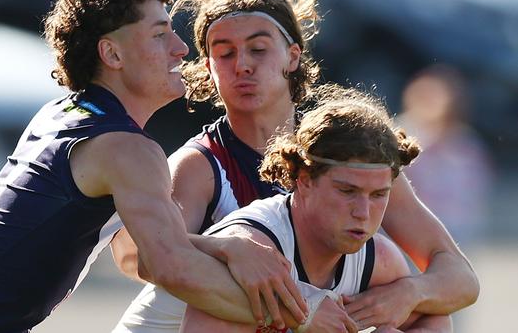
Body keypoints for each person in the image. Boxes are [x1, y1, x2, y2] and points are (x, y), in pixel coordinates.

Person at [0, 0, 308, 332]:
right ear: (112, 53)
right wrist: (305, 319)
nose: (181, 49)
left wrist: (225, 246)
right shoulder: (128, 150)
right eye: (160, 34)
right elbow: (172, 267)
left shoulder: (64, 110)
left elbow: (148, 250)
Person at [111, 0, 478, 332]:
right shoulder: (201, 164)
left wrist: (410, 293)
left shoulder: (347, 157)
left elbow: (459, 278)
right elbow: (143, 256)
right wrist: (229, 248)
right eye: (224, 54)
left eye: (258, 49)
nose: (242, 66)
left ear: (293, 56)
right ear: (207, 68)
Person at [179, 93, 452, 333]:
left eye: (379, 195)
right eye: (347, 191)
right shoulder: (255, 250)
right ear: (305, 180)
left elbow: (436, 317)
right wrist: (303, 313)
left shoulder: (377, 261)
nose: (363, 212)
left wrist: (413, 299)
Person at [397, 64, 493, 247]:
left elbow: (475, 192)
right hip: (407, 234)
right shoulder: (402, 137)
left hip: (454, 233)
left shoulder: (466, 144)